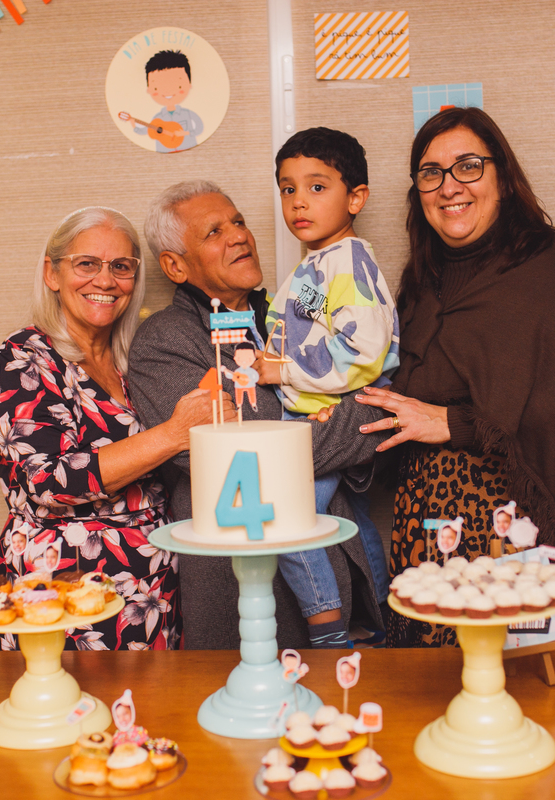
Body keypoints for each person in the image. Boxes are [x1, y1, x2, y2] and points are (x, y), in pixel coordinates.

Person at [354, 107, 555, 648]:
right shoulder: (421, 282)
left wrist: (455, 424)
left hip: (520, 535)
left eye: (468, 166)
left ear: (502, 176)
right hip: (427, 536)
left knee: (523, 708)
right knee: (438, 711)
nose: (449, 186)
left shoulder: (551, 274)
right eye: (431, 173)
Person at [127, 180, 390, 651]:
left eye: (240, 222)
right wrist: (337, 413)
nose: (239, 237)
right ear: (175, 265)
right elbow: (225, 458)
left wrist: (355, 401)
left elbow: (372, 368)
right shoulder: (164, 341)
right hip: (241, 584)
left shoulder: (295, 305)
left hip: (340, 570)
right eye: (213, 232)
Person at [0, 206, 231, 652]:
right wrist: (176, 433)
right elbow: (48, 481)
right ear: (52, 273)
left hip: (154, 589)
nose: (105, 281)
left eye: (121, 267)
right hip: (66, 590)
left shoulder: (131, 361)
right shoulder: (23, 359)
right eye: (87, 264)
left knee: (149, 719)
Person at [252, 127, 398, 643]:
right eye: (288, 189)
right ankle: (382, 621)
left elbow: (362, 351)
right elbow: (321, 325)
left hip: (326, 415)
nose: (298, 202)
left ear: (355, 197)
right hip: (316, 408)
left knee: (289, 522)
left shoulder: (349, 261)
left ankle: (330, 633)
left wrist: (284, 371)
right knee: (351, 521)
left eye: (317, 187)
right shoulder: (317, 264)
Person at [127, 50, 203, 153]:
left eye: (179, 85)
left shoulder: (187, 114)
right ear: (149, 89)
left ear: (189, 85)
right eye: (156, 88)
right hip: (165, 153)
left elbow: (199, 128)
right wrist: (133, 124)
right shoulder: (158, 118)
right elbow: (147, 131)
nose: (167, 91)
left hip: (189, 151)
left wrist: (185, 133)